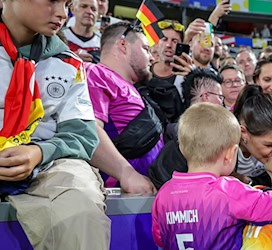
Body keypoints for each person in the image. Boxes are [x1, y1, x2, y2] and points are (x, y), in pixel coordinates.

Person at [0, 0, 110, 249]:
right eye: (51, 1)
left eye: (67, 3)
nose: (62, 13)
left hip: (47, 166)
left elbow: (81, 134)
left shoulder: (68, 63)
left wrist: (39, 152)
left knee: (80, 207)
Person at [151, 103, 272, 249]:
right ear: (230, 154)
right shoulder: (227, 190)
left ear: (182, 148)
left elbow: (159, 239)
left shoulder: (164, 193)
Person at [149, 84, 272, 189]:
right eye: (269, 145)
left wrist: (249, 182)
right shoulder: (207, 138)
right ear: (243, 132)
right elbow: (163, 177)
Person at [86, 22, 162, 193]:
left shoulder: (132, 88)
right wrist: (126, 174)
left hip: (144, 196)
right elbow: (89, 128)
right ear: (123, 44)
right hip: (121, 199)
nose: (152, 57)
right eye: (146, 48)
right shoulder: (96, 73)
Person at [148, 69, 224, 189]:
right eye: (220, 97)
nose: (222, 103)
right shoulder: (182, 139)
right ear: (205, 96)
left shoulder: (171, 133)